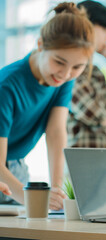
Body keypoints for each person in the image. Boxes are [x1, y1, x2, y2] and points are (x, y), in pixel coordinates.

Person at [0, 2, 95, 210]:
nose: (66, 73)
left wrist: (57, 189)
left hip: (15, 166)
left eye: (78, 67)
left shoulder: (63, 80)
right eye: (59, 62)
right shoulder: (6, 84)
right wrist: (32, 199)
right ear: (41, 44)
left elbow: (55, 131)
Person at [67, 0, 106, 148]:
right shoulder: (70, 66)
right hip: (82, 157)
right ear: (89, 27)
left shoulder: (96, 72)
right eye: (105, 30)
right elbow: (85, 106)